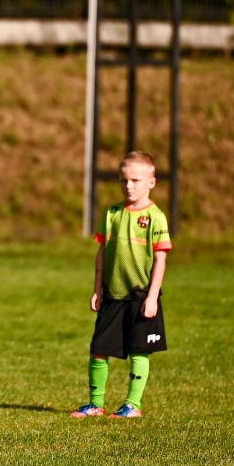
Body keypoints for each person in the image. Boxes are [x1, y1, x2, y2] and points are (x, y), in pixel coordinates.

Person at [72, 150, 172, 419]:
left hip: (141, 296)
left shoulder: (155, 217)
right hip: (113, 295)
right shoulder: (113, 213)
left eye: (136, 180)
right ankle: (95, 404)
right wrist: (97, 288)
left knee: (140, 351)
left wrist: (152, 298)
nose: (129, 186)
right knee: (98, 350)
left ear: (151, 182)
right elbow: (102, 252)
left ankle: (133, 405)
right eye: (124, 180)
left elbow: (161, 260)